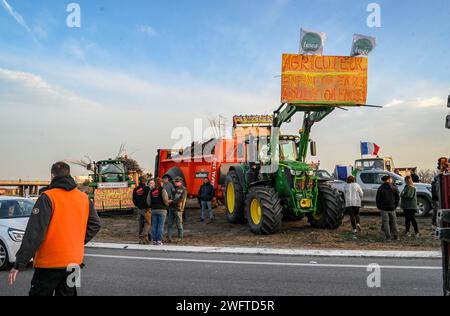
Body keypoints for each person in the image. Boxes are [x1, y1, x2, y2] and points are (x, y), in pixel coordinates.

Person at [8, 162, 101, 296]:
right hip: (74, 263)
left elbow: (35, 233)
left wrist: (19, 263)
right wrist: (78, 242)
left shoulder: (47, 197)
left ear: (52, 175)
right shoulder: (84, 198)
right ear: (69, 175)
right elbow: (95, 224)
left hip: (49, 264)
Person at [376, 175, 400, 241]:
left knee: (385, 222)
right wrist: (395, 205)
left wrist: (379, 206)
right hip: (392, 207)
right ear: (388, 180)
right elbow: (397, 197)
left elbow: (378, 199)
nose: (392, 180)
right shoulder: (394, 187)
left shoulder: (381, 188)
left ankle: (388, 237)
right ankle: (396, 236)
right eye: (391, 179)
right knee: (394, 222)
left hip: (383, 208)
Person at [150, 178, 170, 246]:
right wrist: (167, 204)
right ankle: (159, 241)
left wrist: (152, 205)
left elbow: (148, 200)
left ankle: (154, 240)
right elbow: (165, 200)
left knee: (154, 225)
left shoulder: (151, 190)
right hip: (162, 210)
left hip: (153, 210)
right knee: (160, 226)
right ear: (160, 183)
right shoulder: (163, 190)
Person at [167, 177, 187, 242]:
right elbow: (172, 197)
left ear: (181, 182)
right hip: (171, 208)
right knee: (169, 224)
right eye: (175, 181)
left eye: (177, 181)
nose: (175, 182)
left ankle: (180, 237)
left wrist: (171, 201)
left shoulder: (183, 189)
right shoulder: (174, 189)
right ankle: (169, 238)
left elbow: (181, 199)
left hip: (178, 209)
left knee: (179, 223)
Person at [132, 176, 151, 244]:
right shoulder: (147, 188)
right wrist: (148, 206)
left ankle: (140, 239)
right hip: (146, 209)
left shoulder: (136, 189)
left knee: (140, 224)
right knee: (148, 223)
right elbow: (149, 199)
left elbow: (134, 200)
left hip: (139, 209)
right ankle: (144, 236)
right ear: (145, 181)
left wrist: (138, 205)